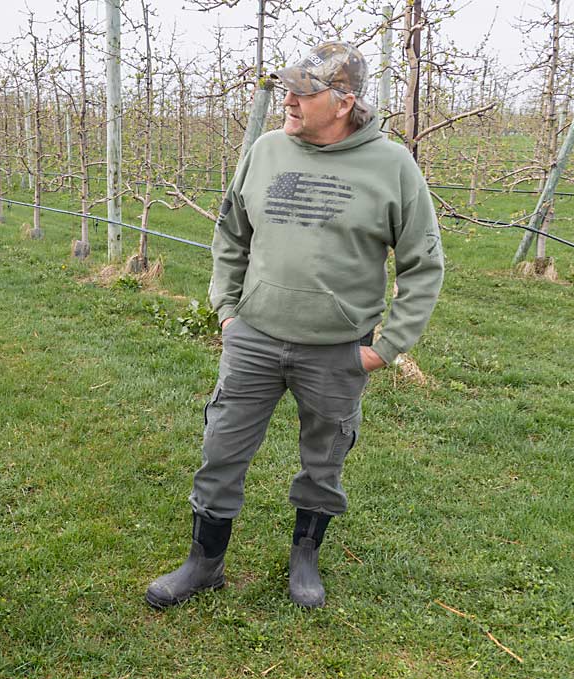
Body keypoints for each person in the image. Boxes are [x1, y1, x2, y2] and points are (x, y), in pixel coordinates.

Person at [145, 41, 444, 610]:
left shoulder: (392, 166)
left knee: (324, 459)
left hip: (337, 350)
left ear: (343, 101)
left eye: (302, 93)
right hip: (253, 338)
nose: (287, 101)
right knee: (221, 449)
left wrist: (386, 348)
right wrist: (227, 309)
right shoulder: (265, 150)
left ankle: (304, 556)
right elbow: (232, 234)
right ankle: (203, 564)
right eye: (287, 89)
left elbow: (424, 264)